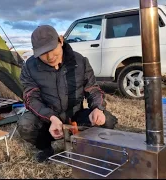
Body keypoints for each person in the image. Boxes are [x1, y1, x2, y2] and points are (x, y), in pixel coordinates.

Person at [18, 25, 118, 163]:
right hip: (48, 118)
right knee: (25, 124)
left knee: (107, 120)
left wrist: (97, 108)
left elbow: (92, 89)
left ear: (61, 40)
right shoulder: (29, 67)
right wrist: (51, 117)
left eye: (52, 49)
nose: (50, 57)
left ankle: (83, 143)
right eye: (43, 53)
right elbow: (31, 98)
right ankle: (45, 148)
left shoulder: (80, 61)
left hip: (75, 116)